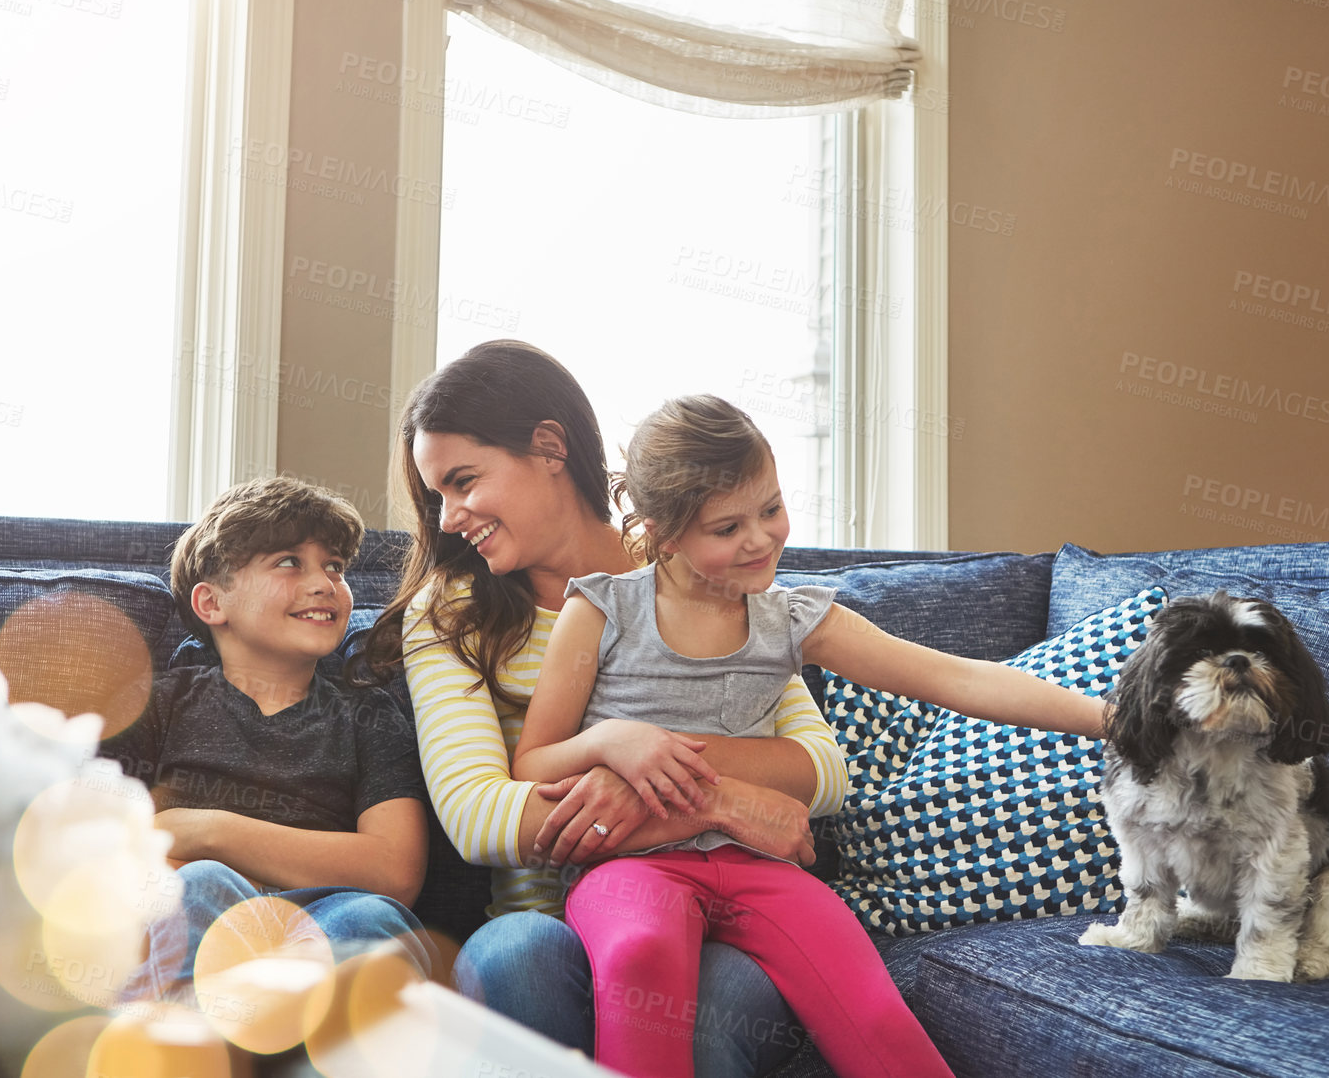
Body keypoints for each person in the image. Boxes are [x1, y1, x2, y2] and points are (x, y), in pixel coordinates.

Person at [510, 394, 1112, 1078]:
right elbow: (532, 763)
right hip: (632, 868)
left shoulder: (794, 621)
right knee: (639, 958)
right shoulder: (598, 611)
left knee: (877, 1017)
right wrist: (613, 738)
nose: (761, 538)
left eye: (770, 509)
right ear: (664, 533)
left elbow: (959, 680)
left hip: (759, 864)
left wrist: (1112, 719)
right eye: (727, 526)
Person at [362, 340, 847, 1076]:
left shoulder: (692, 566)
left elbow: (823, 770)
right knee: (514, 956)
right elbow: (477, 815)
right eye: (438, 497)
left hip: (717, 914)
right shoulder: (451, 611)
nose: (451, 516)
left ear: (549, 446)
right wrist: (714, 802)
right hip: (544, 927)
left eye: (463, 481)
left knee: (712, 1006)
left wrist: (652, 771)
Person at [103, 476, 434, 999]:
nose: (325, 582)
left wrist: (210, 830)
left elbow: (394, 873)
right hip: (203, 910)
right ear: (213, 604)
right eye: (288, 562)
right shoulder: (158, 704)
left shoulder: (368, 714)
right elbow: (106, 847)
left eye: (335, 566)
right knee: (195, 887)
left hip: (328, 916)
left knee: (374, 919)